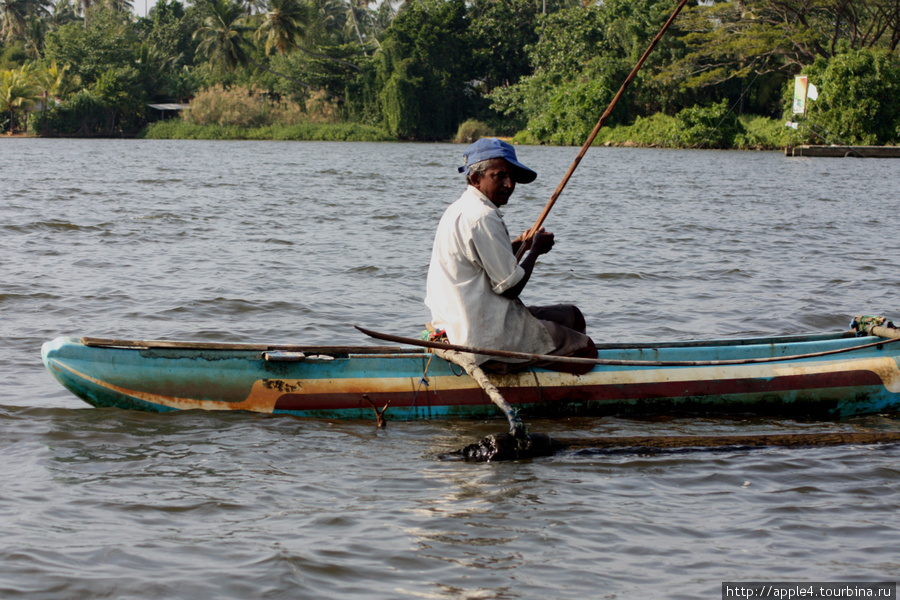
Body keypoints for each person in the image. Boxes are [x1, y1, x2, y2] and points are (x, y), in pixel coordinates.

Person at [425, 137, 597, 374]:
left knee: (572, 317)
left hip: (463, 319)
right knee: (586, 350)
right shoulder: (483, 216)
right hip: (480, 335)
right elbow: (509, 288)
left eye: (512, 177)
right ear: (476, 178)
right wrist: (535, 251)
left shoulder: (460, 208)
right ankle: (534, 374)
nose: (509, 184)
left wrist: (520, 246)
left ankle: (544, 356)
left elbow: (485, 262)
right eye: (499, 176)